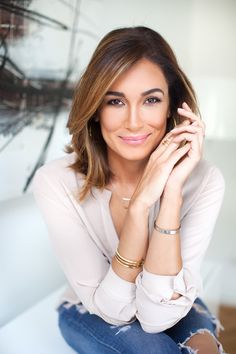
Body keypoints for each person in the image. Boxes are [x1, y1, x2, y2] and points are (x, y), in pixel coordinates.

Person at [33, 26, 226, 354]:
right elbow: (113, 311)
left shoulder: (204, 180)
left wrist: (171, 194)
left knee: (206, 349)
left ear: (172, 106)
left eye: (151, 100)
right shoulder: (56, 181)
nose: (134, 122)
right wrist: (140, 206)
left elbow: (156, 316)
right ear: (95, 109)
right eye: (115, 101)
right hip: (89, 305)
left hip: (166, 299)